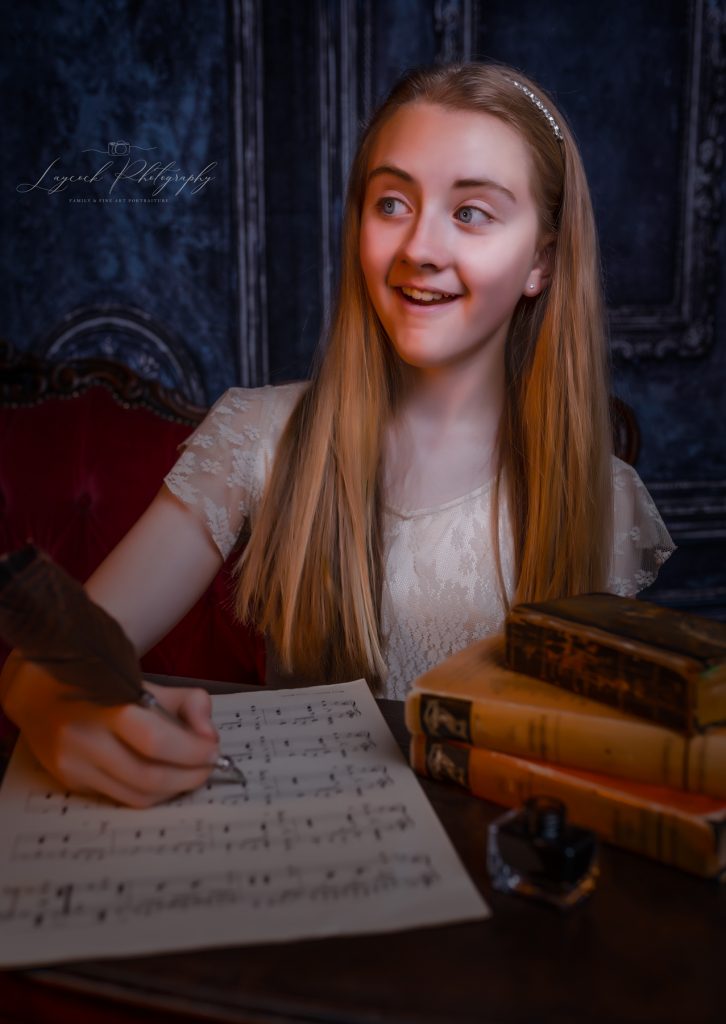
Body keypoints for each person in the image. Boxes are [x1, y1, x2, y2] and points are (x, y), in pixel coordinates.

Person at [0, 62, 675, 807]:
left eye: (472, 212)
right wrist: (54, 707)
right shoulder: (263, 435)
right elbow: (53, 655)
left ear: (540, 263)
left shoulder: (603, 500)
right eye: (392, 202)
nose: (420, 246)